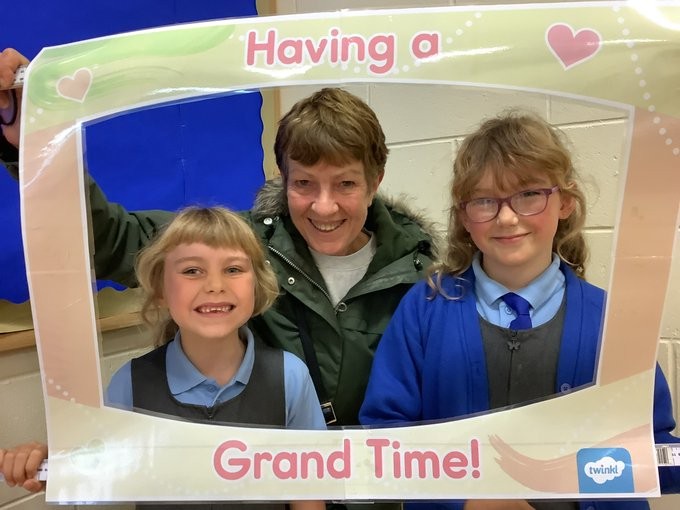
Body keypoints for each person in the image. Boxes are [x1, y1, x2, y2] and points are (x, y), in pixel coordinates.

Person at [0, 48, 438, 428]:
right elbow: (111, 239)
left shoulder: (423, 277)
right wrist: (35, 143)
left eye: (345, 184)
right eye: (304, 183)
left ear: (375, 181)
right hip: (264, 479)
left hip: (380, 482)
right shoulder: (239, 249)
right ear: (283, 178)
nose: (324, 207)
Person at [358, 112, 680, 510]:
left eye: (529, 194)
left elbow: (654, 450)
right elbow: (384, 438)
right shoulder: (424, 310)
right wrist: (464, 501)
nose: (507, 217)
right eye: (485, 201)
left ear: (565, 201)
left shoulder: (614, 323)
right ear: (464, 216)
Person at [1, 205, 326, 510]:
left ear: (257, 284)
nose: (215, 285)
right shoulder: (131, 384)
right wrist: (45, 464)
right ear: (160, 289)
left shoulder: (290, 377)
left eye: (233, 269)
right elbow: (93, 472)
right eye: (192, 270)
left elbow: (309, 492)